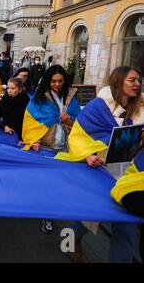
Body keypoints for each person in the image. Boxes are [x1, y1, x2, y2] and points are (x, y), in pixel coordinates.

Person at [55, 66, 144, 262]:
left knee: (126, 228)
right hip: (100, 171)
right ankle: (72, 239)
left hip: (129, 176)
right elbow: (78, 136)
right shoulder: (97, 107)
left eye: (139, 80)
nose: (137, 84)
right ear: (118, 81)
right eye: (132, 80)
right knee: (89, 216)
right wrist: (87, 155)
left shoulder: (142, 109)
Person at [22, 65, 80, 235]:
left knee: (59, 183)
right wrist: (34, 140)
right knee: (47, 183)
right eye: (53, 81)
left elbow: (80, 124)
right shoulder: (38, 98)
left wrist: (69, 121)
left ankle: (55, 208)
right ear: (48, 81)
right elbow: (30, 122)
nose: (56, 84)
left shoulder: (72, 98)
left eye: (60, 81)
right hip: (46, 148)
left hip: (66, 148)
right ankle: (47, 215)